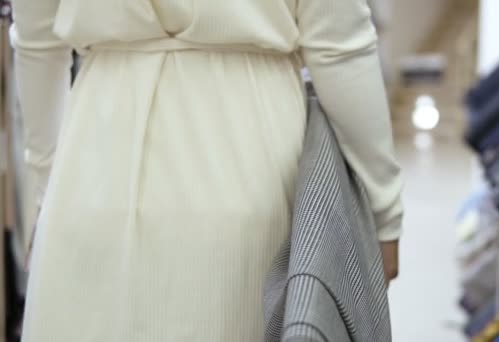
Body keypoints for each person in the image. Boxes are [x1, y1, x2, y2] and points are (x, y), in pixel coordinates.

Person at [12, 0, 404, 340]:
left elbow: (38, 44)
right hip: (246, 147)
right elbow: (340, 49)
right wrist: (383, 209)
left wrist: (44, 189)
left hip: (93, 155)